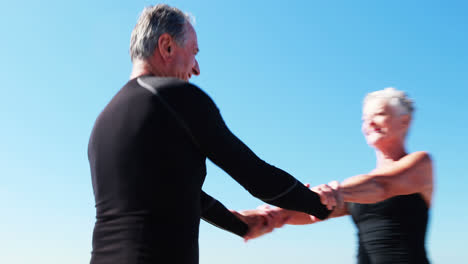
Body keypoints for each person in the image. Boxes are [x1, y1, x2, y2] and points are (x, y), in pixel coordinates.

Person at [87, 4, 336, 264]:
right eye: (193, 53)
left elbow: (186, 195)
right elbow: (254, 175)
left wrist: (243, 225)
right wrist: (320, 205)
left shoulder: (103, 122)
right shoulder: (174, 97)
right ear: (167, 46)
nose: (196, 68)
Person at [255, 88, 434, 263]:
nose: (369, 123)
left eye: (379, 114)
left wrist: (334, 190)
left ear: (405, 121)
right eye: (365, 119)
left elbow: (382, 185)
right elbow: (318, 209)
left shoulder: (420, 163)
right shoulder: (357, 188)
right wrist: (269, 214)